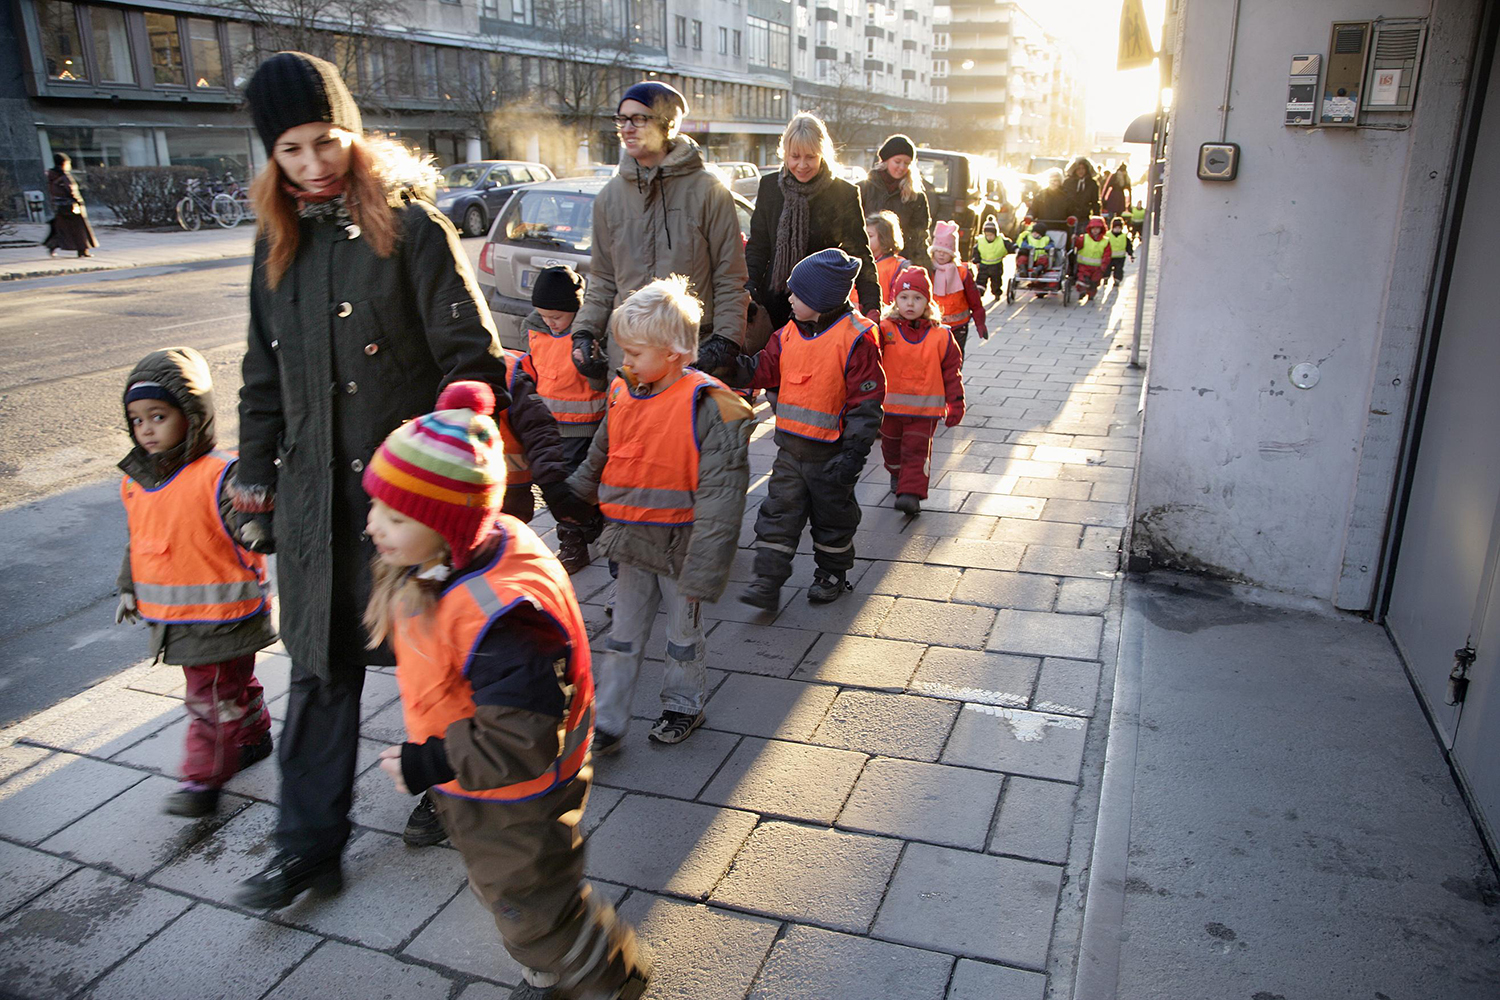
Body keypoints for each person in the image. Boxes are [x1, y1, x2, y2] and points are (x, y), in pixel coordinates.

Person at [233, 51, 524, 910]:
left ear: (353, 134)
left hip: (404, 502)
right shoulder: (274, 245)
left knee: (432, 655)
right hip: (315, 506)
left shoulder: (412, 229)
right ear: (271, 158)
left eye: (326, 140)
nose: (313, 164)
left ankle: (452, 785)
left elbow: (472, 360)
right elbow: (260, 379)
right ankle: (306, 848)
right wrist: (254, 479)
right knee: (318, 667)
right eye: (290, 150)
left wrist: (447, 464)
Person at [364, 381, 651, 1000]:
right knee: (515, 889)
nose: (372, 526)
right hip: (481, 780)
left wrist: (428, 762)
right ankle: (557, 958)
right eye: (376, 507)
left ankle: (604, 975)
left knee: (529, 901)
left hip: (512, 789)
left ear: (446, 524)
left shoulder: (502, 618)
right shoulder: (452, 558)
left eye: (394, 516)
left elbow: (520, 734)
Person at [566, 277, 751, 751]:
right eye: (623, 351)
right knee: (623, 634)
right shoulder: (624, 390)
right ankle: (609, 720)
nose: (625, 361)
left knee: (682, 635)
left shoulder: (711, 405)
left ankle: (684, 705)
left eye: (635, 352)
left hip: (681, 547)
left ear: (673, 352)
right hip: (632, 539)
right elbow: (601, 450)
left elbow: (723, 496)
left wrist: (706, 567)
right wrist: (574, 497)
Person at [116, 347, 275, 817]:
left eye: (159, 416)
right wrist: (128, 587)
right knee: (229, 688)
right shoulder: (138, 482)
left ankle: (202, 781)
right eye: (137, 419)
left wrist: (257, 524)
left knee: (209, 702)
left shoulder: (219, 474)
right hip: (183, 622)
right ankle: (254, 734)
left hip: (224, 619)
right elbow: (139, 540)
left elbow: (247, 522)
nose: (146, 429)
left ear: (192, 415)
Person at [726, 249, 885, 609]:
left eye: (797, 293)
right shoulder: (787, 334)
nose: (790, 298)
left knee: (833, 520)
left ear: (820, 298)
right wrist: (727, 366)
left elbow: (866, 404)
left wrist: (853, 455)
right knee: (777, 515)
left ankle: (832, 573)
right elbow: (761, 369)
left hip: (832, 457)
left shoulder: (856, 338)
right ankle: (767, 581)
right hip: (790, 452)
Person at [572, 80, 749, 386]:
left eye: (639, 119)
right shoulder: (609, 198)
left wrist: (725, 342)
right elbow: (602, 279)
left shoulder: (709, 192)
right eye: (622, 120)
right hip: (628, 362)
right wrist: (584, 332)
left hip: (689, 358)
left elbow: (730, 277)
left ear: (667, 125)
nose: (627, 129)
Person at [746, 112, 878, 331]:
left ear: (822, 154)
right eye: (795, 156)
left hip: (823, 309)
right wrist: (750, 288)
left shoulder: (843, 194)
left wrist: (872, 305)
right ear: (785, 154)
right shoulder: (769, 187)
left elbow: (860, 253)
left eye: (810, 157)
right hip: (773, 307)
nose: (802, 165)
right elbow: (758, 247)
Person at [521, 265, 607, 574]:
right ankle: (578, 535)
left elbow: (603, 378)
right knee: (557, 484)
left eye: (557, 316)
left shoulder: (587, 334)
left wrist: (593, 366)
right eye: (544, 316)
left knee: (579, 483)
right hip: (549, 426)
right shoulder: (533, 328)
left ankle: (581, 535)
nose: (550, 322)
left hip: (586, 425)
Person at [878, 267, 965, 516]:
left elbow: (952, 373)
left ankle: (910, 493)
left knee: (916, 452)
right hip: (889, 409)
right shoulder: (884, 329)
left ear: (927, 301)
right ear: (895, 299)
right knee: (891, 449)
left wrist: (955, 404)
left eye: (917, 298)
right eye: (904, 297)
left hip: (925, 411)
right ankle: (897, 474)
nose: (910, 303)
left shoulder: (941, 336)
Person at [858, 135, 932, 269]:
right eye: (897, 162)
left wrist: (923, 267)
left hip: (900, 264)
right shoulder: (863, 188)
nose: (902, 167)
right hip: (865, 261)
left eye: (907, 163)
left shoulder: (916, 196)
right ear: (885, 161)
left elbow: (919, 237)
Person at [929, 221, 988, 355]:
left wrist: (980, 322)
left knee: (956, 355)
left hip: (959, 325)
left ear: (953, 253)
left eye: (945, 252)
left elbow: (974, 299)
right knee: (936, 357)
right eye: (938, 251)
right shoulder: (929, 271)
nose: (941, 255)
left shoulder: (962, 273)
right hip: (934, 325)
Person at [43, 153, 97, 258]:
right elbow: (71, 190)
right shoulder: (64, 176)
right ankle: (83, 250)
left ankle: (53, 244)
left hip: (59, 205)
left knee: (62, 227)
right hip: (71, 205)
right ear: (64, 163)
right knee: (80, 229)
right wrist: (79, 201)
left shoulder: (51, 176)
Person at [863, 211, 909, 310]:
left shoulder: (900, 266)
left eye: (870, 236)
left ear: (884, 237)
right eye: (863, 234)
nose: (864, 239)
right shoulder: (857, 262)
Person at [1074, 216, 1112, 303]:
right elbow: (1079, 244)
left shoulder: (1105, 241)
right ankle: (1082, 291)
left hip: (1097, 267)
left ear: (1101, 229)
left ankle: (1091, 294)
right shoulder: (1084, 238)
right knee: (1082, 279)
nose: (1095, 230)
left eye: (1097, 228)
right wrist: (1075, 240)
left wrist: (1104, 264)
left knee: (1094, 282)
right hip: (1084, 265)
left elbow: (1107, 254)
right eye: (1093, 228)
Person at [974, 217, 1012, 299]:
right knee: (980, 280)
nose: (989, 237)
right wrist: (977, 261)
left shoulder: (1001, 240)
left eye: (991, 235)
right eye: (987, 235)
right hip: (983, 265)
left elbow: (1009, 245)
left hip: (996, 265)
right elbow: (976, 252)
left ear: (995, 234)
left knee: (996, 281)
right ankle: (978, 293)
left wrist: (1015, 248)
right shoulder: (981, 241)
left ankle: (996, 293)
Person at [1063, 157, 1101, 222]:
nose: (1081, 171)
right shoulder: (1067, 182)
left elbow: (1095, 202)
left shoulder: (1092, 183)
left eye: (1083, 168)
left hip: (1084, 216)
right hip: (1069, 216)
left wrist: (1096, 218)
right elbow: (1063, 199)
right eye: (1078, 169)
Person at [1106, 215, 1135, 287]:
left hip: (1120, 257)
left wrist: (1131, 254)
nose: (1117, 229)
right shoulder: (1107, 235)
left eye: (1119, 228)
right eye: (1115, 228)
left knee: (1118, 270)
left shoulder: (1124, 237)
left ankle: (1117, 280)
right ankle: (1105, 278)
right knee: (1106, 268)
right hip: (1108, 257)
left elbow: (1128, 246)